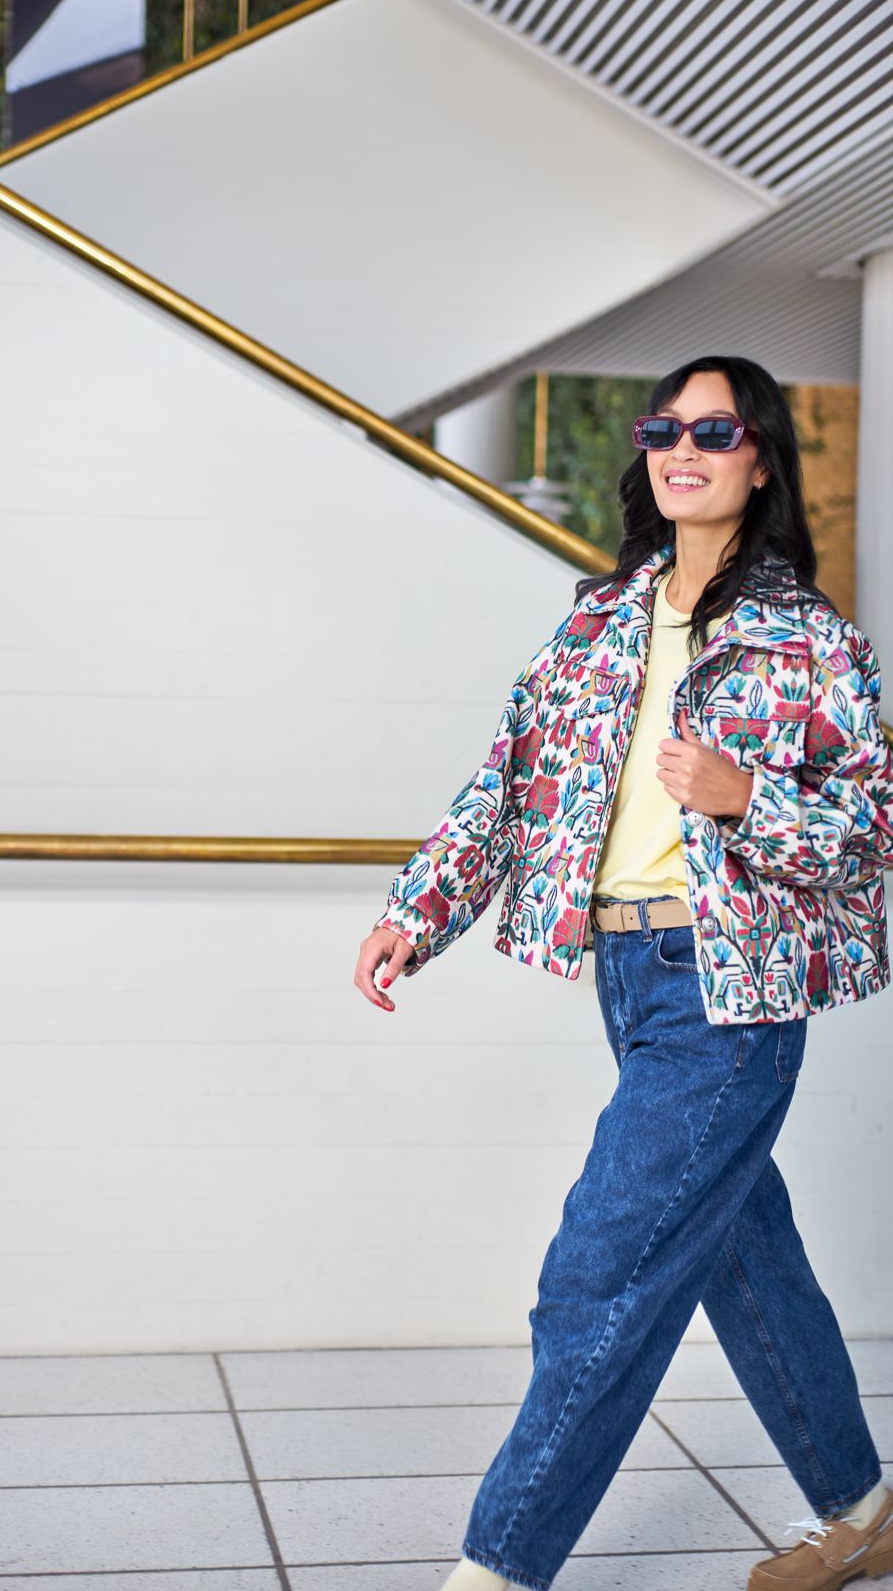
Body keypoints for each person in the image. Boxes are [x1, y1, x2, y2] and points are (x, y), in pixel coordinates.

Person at [353, 356, 893, 1591]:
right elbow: (509, 781)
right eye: (665, 428)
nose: (682, 447)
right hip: (627, 970)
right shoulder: (598, 620)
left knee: (599, 1271)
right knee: (742, 1253)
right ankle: (864, 1506)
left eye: (715, 429)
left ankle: (497, 1568)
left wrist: (747, 795)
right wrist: (416, 911)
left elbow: (874, 826)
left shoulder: (811, 640)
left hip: (730, 986)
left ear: (763, 459)